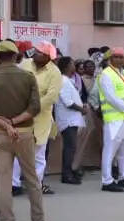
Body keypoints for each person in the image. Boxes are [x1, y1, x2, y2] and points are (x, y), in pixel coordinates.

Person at [0, 40, 45, 221]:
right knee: (32, 180)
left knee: (3, 182)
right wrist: (16, 122)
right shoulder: (27, 77)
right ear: (16, 56)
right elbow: (35, 107)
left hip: (1, 135)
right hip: (25, 133)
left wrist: (6, 123)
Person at [14, 42, 61, 196]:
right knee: (18, 150)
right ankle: (14, 185)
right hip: (20, 114)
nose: (35, 55)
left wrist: (32, 108)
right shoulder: (25, 64)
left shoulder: (55, 72)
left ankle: (36, 185)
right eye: (35, 52)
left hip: (41, 117)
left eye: (39, 53)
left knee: (39, 154)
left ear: (47, 57)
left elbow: (51, 97)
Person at [97, 48, 124, 192]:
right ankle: (107, 181)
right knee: (110, 151)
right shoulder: (105, 75)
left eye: (122, 57)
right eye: (116, 57)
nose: (120, 60)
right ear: (110, 59)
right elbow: (110, 97)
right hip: (114, 118)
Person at [54, 56, 85, 184]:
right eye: (72, 64)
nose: (74, 66)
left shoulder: (68, 80)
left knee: (71, 147)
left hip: (71, 118)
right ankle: (66, 174)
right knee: (69, 147)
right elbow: (68, 102)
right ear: (67, 66)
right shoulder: (63, 80)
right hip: (67, 119)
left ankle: (69, 171)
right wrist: (81, 109)